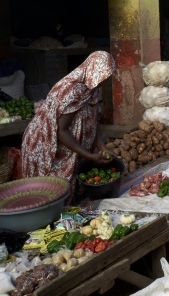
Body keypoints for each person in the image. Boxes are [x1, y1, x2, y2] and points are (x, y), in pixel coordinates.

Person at [21, 51, 117, 202]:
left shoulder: (93, 87)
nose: (104, 81)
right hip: (48, 142)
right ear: (92, 71)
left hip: (69, 144)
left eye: (107, 77)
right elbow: (61, 131)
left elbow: (93, 119)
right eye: (103, 76)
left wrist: (101, 146)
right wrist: (89, 155)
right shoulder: (72, 89)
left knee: (72, 189)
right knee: (53, 191)